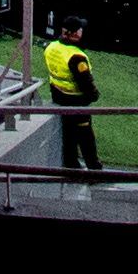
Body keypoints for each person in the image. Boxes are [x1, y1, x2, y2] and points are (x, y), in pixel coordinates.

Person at [38, 32, 102, 174]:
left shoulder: (51, 47)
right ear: (73, 34)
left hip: (59, 97)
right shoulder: (76, 56)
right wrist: (94, 96)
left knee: (68, 133)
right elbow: (86, 83)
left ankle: (71, 164)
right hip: (77, 101)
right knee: (85, 135)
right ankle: (94, 169)